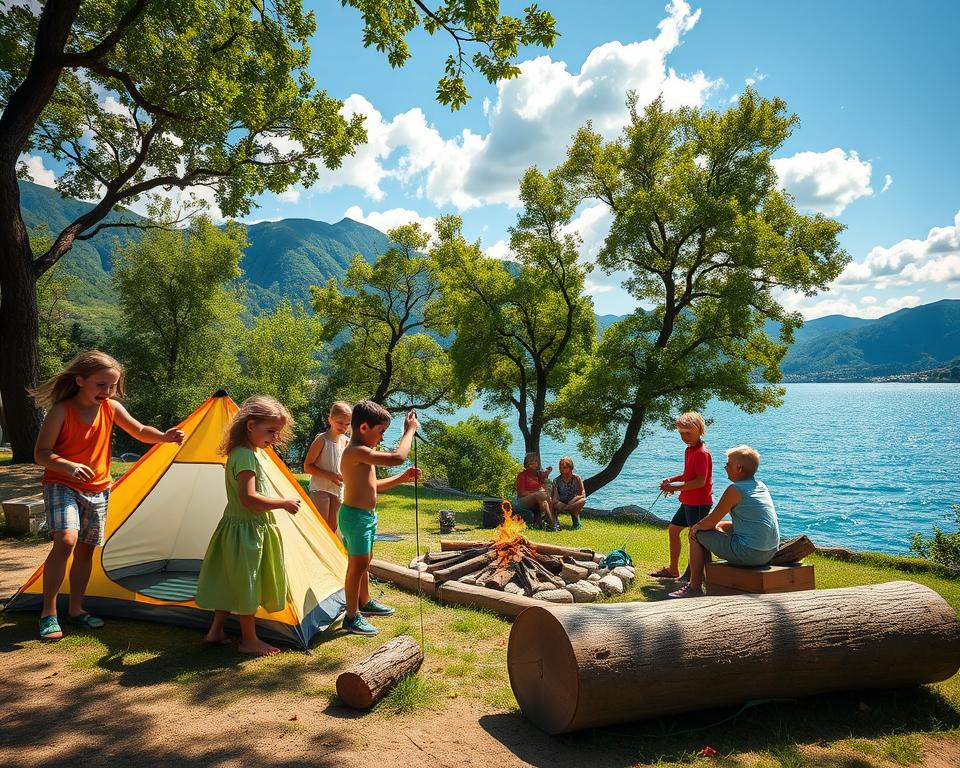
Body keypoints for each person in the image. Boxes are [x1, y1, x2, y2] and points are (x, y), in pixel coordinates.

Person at [31, 351, 185, 641]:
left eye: (112, 386)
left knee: (86, 550)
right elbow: (41, 453)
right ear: (80, 381)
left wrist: (163, 436)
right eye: (101, 385)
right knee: (66, 539)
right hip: (61, 484)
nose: (108, 391)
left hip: (99, 488)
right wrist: (68, 465)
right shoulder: (62, 411)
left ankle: (76, 610)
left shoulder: (111, 408)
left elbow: (139, 431)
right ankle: (48, 613)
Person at [195, 395, 302, 656]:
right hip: (248, 531)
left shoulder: (244, 452)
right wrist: (283, 503)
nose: (274, 439)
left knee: (232, 581)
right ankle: (249, 640)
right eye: (271, 432)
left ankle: (216, 630)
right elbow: (248, 498)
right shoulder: (245, 457)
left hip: (238, 528)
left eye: (277, 433)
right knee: (247, 584)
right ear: (251, 426)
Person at [338, 400, 422, 636]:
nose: (382, 437)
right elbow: (397, 457)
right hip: (355, 518)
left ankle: (364, 602)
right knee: (357, 566)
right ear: (364, 427)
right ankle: (352, 616)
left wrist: (401, 479)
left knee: (365, 563)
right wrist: (410, 431)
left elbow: (375, 487)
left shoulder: (365, 455)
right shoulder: (356, 452)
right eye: (381, 432)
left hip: (365, 516)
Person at [669, 445, 780, 598]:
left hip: (749, 554)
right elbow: (717, 523)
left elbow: (710, 520)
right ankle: (710, 578)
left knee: (697, 534)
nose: (725, 467)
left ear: (739, 468)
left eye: (728, 464)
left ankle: (694, 587)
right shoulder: (761, 486)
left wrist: (696, 527)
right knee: (720, 526)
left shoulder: (734, 490)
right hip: (770, 551)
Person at [649, 412, 713, 581]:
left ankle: (693, 575)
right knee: (674, 530)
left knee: (695, 538)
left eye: (688, 433)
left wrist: (675, 488)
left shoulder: (701, 453)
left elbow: (700, 481)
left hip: (699, 503)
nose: (685, 437)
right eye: (681, 433)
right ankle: (673, 569)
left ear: (699, 430)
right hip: (688, 501)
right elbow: (687, 474)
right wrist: (671, 480)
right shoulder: (689, 450)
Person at [303, 401, 352, 534]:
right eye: (339, 422)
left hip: (337, 489)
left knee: (333, 526)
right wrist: (330, 476)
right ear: (330, 419)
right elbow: (307, 467)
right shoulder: (322, 440)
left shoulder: (346, 441)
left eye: (347, 424)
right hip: (320, 488)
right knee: (321, 526)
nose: (343, 427)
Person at [516, 452, 557, 531]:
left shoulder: (538, 474)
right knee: (540, 495)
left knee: (547, 499)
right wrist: (536, 492)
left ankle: (552, 524)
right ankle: (547, 521)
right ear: (528, 463)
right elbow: (522, 493)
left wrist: (548, 472)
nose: (536, 463)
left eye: (537, 461)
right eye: (534, 461)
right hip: (523, 500)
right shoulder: (522, 475)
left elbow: (544, 478)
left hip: (540, 498)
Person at [551, 456, 586, 530]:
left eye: (564, 467)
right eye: (560, 467)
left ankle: (573, 515)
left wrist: (574, 499)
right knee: (555, 503)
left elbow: (583, 495)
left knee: (583, 500)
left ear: (570, 467)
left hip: (573, 502)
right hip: (561, 503)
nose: (561, 470)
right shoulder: (556, 480)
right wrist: (565, 505)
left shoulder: (577, 478)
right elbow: (555, 499)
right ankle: (575, 518)